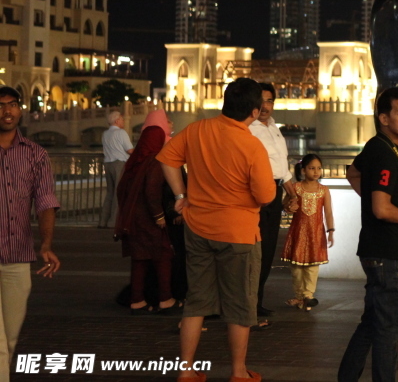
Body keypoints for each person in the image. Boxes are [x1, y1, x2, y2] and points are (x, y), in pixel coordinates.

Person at [157, 77, 275, 382]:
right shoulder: (252, 145)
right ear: (253, 111)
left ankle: (186, 370)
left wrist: (181, 195)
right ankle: (238, 372)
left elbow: (167, 159)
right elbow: (265, 196)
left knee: (196, 301)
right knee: (239, 304)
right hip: (239, 234)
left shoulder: (198, 129)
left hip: (197, 228)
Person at [338, 87, 398, 382]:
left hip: (377, 248)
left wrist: (377, 199)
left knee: (373, 321)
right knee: (388, 329)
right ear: (383, 118)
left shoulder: (379, 146)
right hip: (389, 250)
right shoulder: (385, 154)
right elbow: (380, 209)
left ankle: (347, 377)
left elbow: (353, 174)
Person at [0, 87, 59, 382]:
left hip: (18, 256)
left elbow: (45, 200)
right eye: (0, 106)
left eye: (12, 105)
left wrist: (46, 244)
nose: (6, 111)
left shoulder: (35, 154)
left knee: (10, 339)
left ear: (20, 109)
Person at [115, 109, 177, 313]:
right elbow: (152, 191)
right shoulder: (155, 161)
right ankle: (166, 298)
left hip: (133, 218)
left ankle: (137, 300)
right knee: (163, 255)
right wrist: (159, 217)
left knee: (140, 258)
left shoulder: (136, 162)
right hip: (149, 219)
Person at [248, 82, 297, 328]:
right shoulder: (249, 128)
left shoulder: (274, 128)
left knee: (268, 249)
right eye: (262, 101)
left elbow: (282, 165)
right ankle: (248, 305)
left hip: (275, 191)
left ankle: (257, 300)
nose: (265, 106)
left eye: (269, 101)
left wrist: (291, 189)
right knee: (254, 249)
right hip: (257, 193)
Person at [281, 154, 333, 311]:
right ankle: (299, 296)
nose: (316, 171)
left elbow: (328, 213)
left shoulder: (324, 190)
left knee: (312, 266)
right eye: (312, 168)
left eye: (318, 168)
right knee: (296, 268)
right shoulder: (295, 188)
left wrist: (330, 230)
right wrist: (289, 207)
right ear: (303, 170)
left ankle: (308, 295)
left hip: (315, 234)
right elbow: (286, 206)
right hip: (298, 232)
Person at [100, 110, 133, 228]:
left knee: (110, 192)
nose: (123, 121)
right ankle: (113, 222)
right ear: (117, 120)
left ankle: (103, 221)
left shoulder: (105, 134)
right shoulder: (121, 133)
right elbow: (129, 150)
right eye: (122, 119)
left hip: (107, 164)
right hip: (119, 164)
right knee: (118, 193)